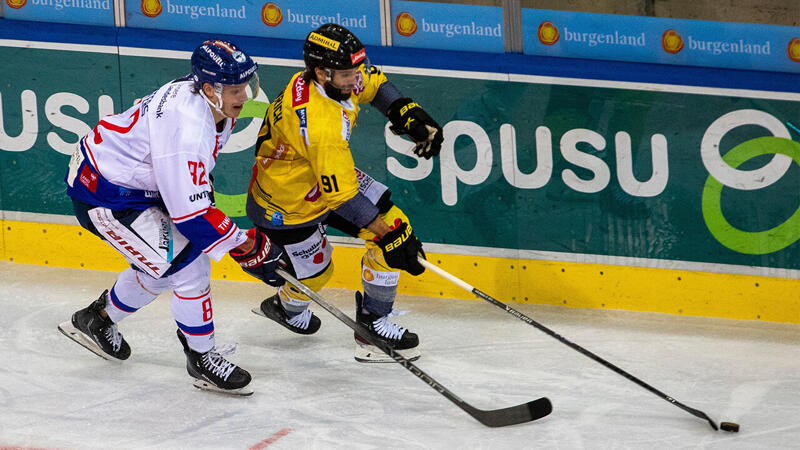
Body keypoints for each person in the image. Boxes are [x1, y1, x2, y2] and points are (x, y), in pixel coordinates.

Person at [58, 39, 286, 395]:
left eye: (248, 85)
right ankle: (202, 358)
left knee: (163, 265)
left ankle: (96, 319)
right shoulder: (189, 128)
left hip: (134, 181)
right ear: (209, 89)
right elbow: (191, 215)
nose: (245, 96)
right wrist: (246, 246)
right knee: (186, 265)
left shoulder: (210, 100)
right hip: (105, 194)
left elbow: (189, 187)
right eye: (236, 89)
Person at [248, 23, 444, 362]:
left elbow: (375, 83)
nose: (356, 79)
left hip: (320, 178)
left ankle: (372, 325)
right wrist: (388, 237)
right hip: (288, 202)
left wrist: (405, 110)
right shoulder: (319, 124)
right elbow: (343, 199)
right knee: (322, 272)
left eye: (356, 69)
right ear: (321, 73)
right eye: (347, 74)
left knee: (395, 224)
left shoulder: (334, 79)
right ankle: (286, 306)